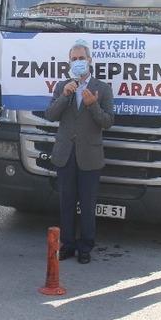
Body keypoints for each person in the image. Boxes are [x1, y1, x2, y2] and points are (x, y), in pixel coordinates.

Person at [44, 41, 114, 264]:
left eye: (81, 58)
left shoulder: (102, 88)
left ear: (90, 60)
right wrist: (65, 95)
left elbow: (108, 122)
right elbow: (50, 115)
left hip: (89, 156)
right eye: (73, 59)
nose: (77, 62)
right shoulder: (62, 86)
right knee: (66, 202)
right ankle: (68, 244)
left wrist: (93, 105)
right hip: (65, 154)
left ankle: (86, 246)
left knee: (87, 203)